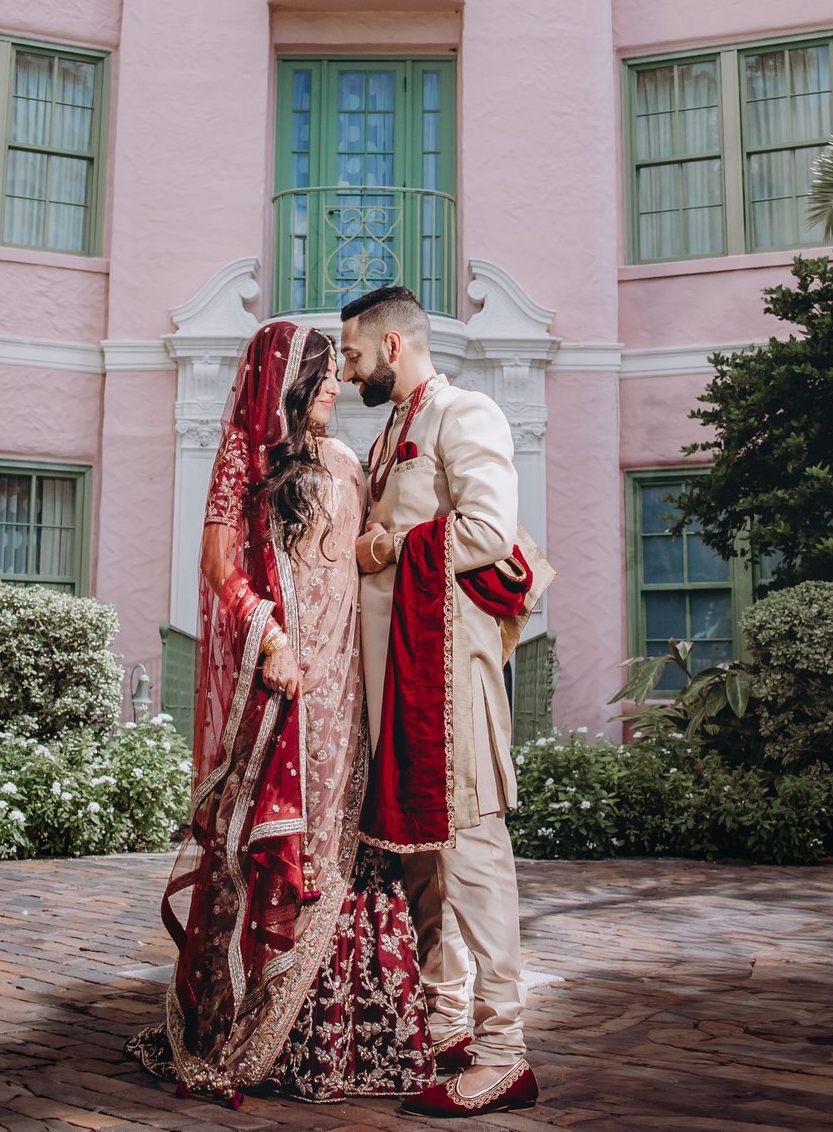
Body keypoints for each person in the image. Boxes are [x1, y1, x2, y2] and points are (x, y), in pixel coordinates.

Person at [129, 321, 435, 1104]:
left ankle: (334, 1037)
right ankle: (253, 1024)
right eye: (324, 374)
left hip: (350, 683)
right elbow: (218, 567)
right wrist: (268, 639)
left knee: (350, 850)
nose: (336, 385)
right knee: (281, 846)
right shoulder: (250, 458)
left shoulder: (349, 461)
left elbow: (374, 549)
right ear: (290, 380)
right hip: (289, 685)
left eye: (339, 371)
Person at [342, 285, 542, 1118]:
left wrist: (393, 544)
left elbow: (492, 528)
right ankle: (449, 1026)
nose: (347, 367)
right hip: (398, 689)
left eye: (353, 353)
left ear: (393, 345)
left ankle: (505, 1050)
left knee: (471, 856)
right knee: (421, 862)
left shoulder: (467, 412)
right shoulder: (390, 433)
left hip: (448, 684)